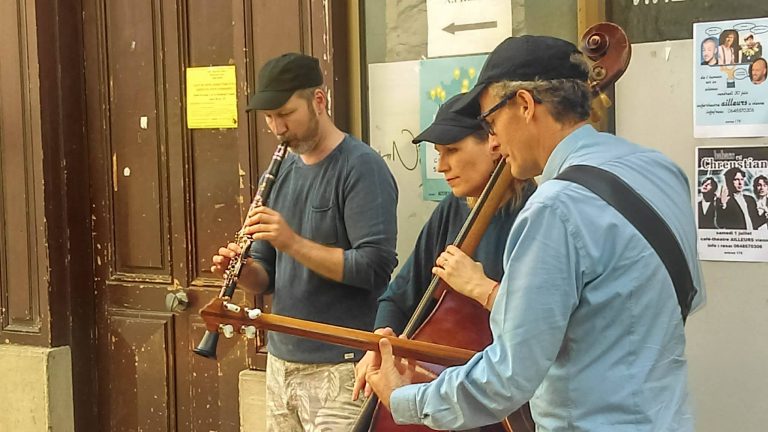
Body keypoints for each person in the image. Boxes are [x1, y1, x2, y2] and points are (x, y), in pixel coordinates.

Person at [364, 35, 705, 431]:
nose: (493, 142)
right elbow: (689, 296)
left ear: (524, 105)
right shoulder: (660, 170)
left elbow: (507, 377)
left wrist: (406, 399)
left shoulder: (553, 208)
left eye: (491, 122)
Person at [211, 52, 398, 431]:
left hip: (342, 365)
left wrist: (293, 242)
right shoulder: (279, 170)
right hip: (282, 361)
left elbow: (375, 268)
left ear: (319, 100)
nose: (277, 127)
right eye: (268, 118)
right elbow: (268, 276)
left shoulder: (361, 167)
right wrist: (244, 273)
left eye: (285, 113)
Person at [351, 94, 535, 401]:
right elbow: (397, 297)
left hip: (498, 396)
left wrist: (481, 287)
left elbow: (538, 325)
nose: (441, 166)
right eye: (438, 153)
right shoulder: (452, 208)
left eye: (452, 150)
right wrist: (382, 338)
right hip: (441, 391)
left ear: (494, 144)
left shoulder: (534, 213)